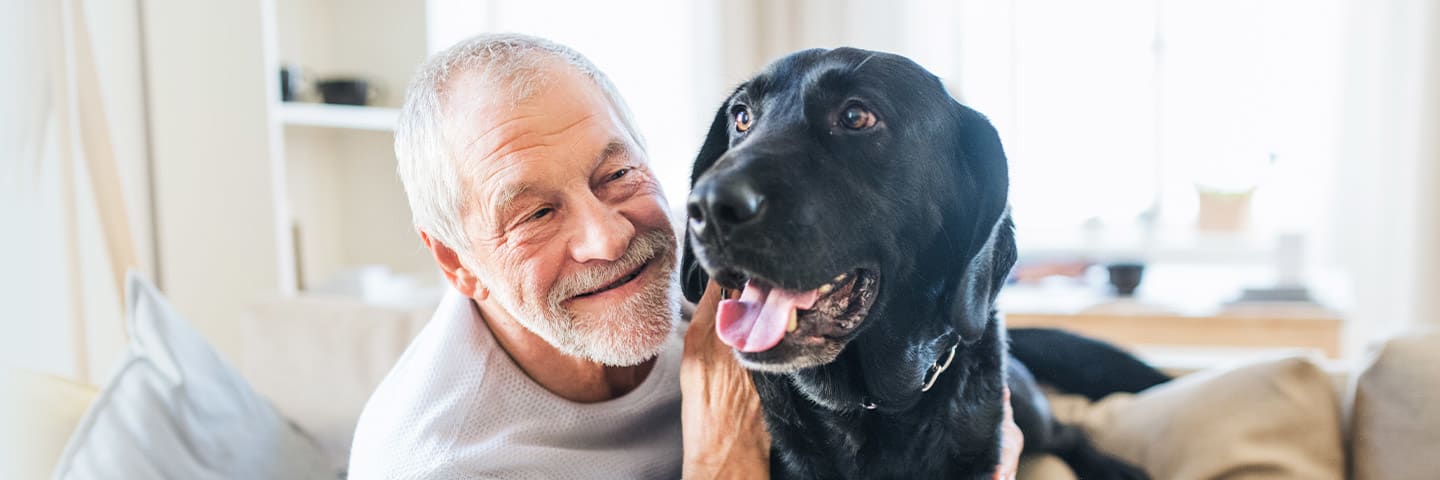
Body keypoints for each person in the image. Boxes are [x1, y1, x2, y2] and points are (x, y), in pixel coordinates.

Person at [347, 33, 1022, 479]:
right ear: (455, 262)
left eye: (617, 176)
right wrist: (722, 456)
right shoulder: (440, 464)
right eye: (536, 214)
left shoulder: (708, 249)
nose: (608, 239)